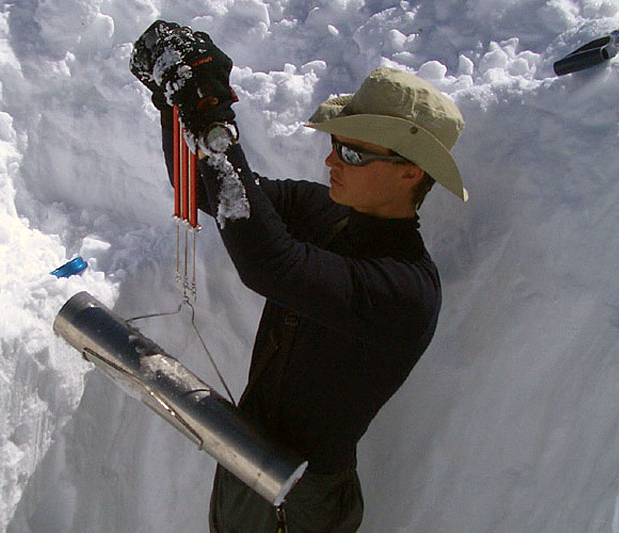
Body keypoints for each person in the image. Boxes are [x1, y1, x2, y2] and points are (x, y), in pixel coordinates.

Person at [131, 20, 467, 533]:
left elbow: (268, 263)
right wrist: (174, 103)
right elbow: (205, 189)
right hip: (247, 464)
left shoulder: (405, 290)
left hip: (301, 501)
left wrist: (213, 121)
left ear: (410, 172)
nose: (331, 160)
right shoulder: (326, 212)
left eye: (353, 153)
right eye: (336, 144)